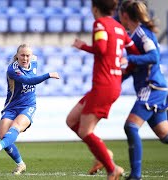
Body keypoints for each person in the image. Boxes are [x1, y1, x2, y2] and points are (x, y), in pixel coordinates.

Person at [67, 0, 140, 179]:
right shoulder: (120, 28)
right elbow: (135, 52)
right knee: (72, 120)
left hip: (103, 85)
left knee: (85, 131)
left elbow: (101, 48)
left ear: (95, 8)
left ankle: (111, 168)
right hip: (111, 84)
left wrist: (82, 46)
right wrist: (127, 64)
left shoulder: (99, 24)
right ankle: (103, 154)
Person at [119, 1, 168, 179]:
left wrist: (129, 60)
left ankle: (135, 175)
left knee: (131, 126)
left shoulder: (142, 33)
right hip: (155, 88)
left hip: (151, 87)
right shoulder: (135, 36)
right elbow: (135, 67)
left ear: (125, 16)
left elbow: (154, 57)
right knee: (166, 136)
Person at [0, 44, 60, 175]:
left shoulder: (34, 61)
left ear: (31, 56)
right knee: (4, 136)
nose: (25, 58)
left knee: (15, 127)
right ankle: (21, 164)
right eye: (22, 55)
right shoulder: (12, 70)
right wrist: (48, 75)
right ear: (17, 56)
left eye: (27, 55)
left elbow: (33, 65)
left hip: (28, 106)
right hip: (11, 107)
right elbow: (29, 81)